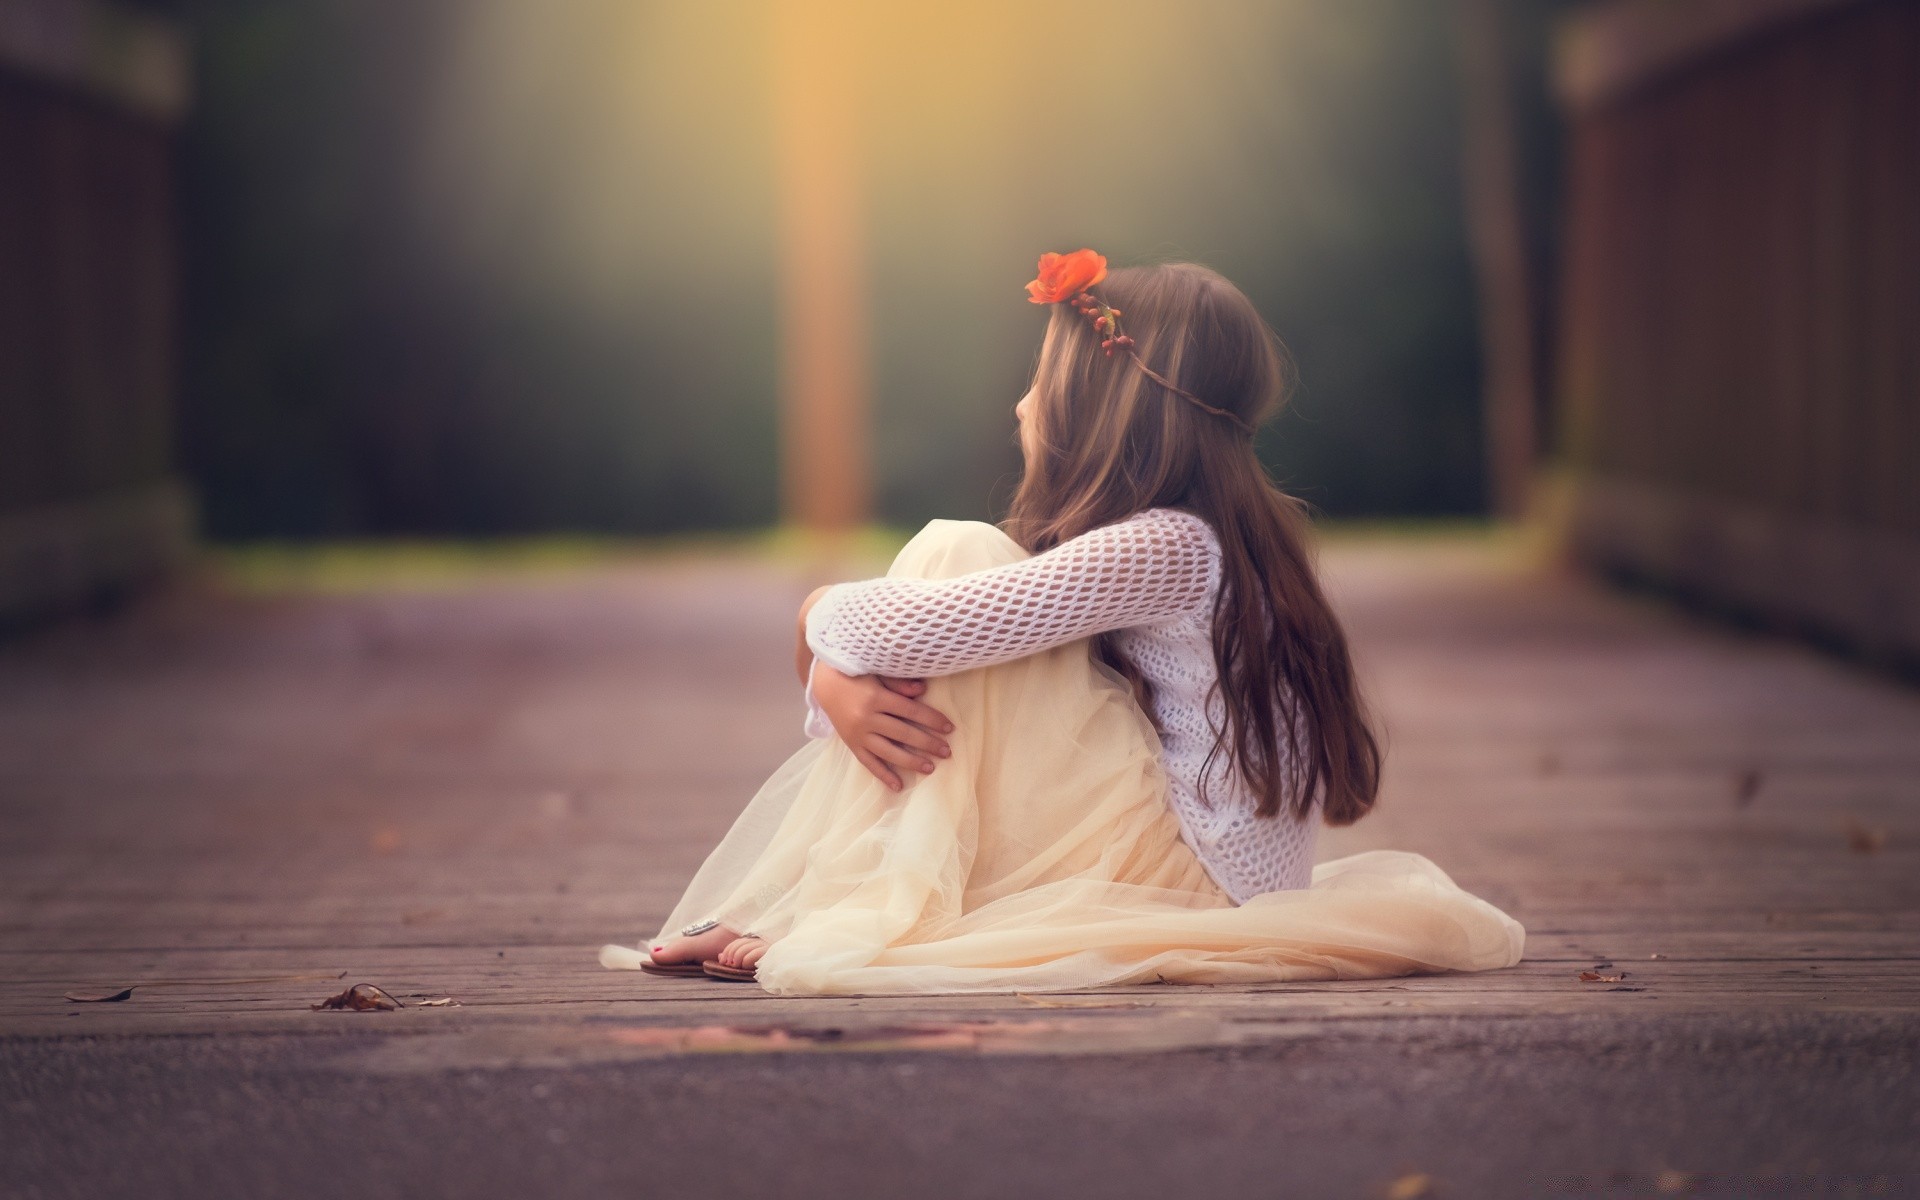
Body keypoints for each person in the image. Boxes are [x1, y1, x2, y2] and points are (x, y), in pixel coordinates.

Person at [600, 250, 1524, 994]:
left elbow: (910, 631)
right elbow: (941, 641)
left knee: (958, 553)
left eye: (1040, 382)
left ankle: (832, 899)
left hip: (1191, 880)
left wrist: (817, 637)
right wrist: (838, 669)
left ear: (1099, 403)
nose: (1021, 404)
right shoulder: (1204, 537)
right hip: (1194, 860)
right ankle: (825, 894)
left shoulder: (1167, 546)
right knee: (964, 583)